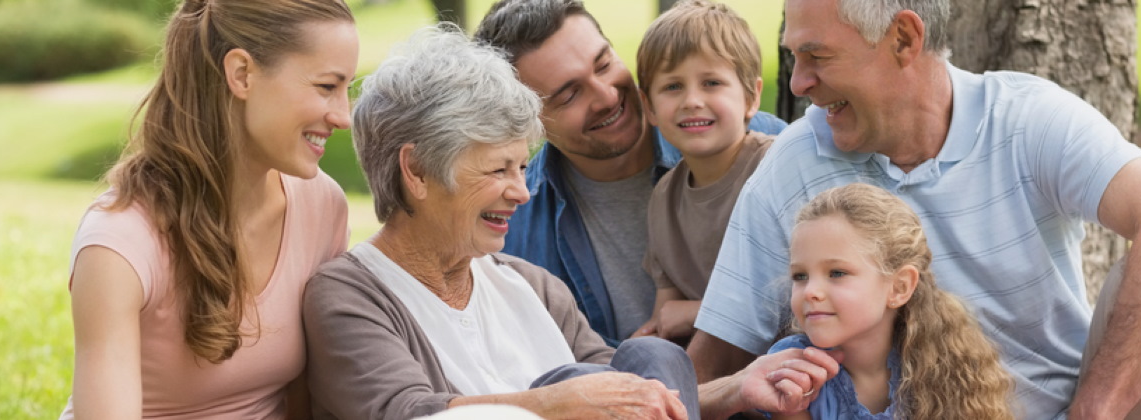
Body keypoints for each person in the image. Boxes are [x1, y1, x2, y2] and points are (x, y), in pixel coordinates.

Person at [692, 0, 1141, 418]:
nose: (797, 84)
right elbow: (708, 370)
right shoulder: (796, 163)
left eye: (817, 57)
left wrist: (1095, 411)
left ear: (904, 39)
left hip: (1085, 408)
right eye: (793, 58)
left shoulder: (1026, 119)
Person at [301, 25, 697, 420]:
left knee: (653, 357)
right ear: (417, 171)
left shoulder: (534, 287)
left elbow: (624, 394)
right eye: (498, 170)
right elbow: (405, 411)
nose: (522, 192)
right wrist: (554, 404)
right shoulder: (349, 296)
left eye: (522, 167)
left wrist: (733, 387)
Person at [62, 0, 356, 418]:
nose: (343, 116)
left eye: (347, 89)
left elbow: (313, 398)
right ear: (242, 74)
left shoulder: (322, 207)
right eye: (327, 87)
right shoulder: (119, 242)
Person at [473, 0, 788, 344]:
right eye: (570, 95)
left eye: (604, 64)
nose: (606, 97)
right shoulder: (515, 233)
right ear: (528, 122)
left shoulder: (766, 151)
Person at [768, 183, 1014, 419]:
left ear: (899, 287)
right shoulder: (793, 367)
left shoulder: (945, 365)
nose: (811, 291)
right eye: (800, 276)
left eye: (837, 273)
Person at [629, 0, 775, 344]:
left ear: (751, 97)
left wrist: (698, 312)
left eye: (711, 82)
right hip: (712, 363)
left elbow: (807, 293)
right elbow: (666, 316)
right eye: (672, 86)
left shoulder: (773, 170)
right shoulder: (664, 198)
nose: (692, 100)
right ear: (648, 106)